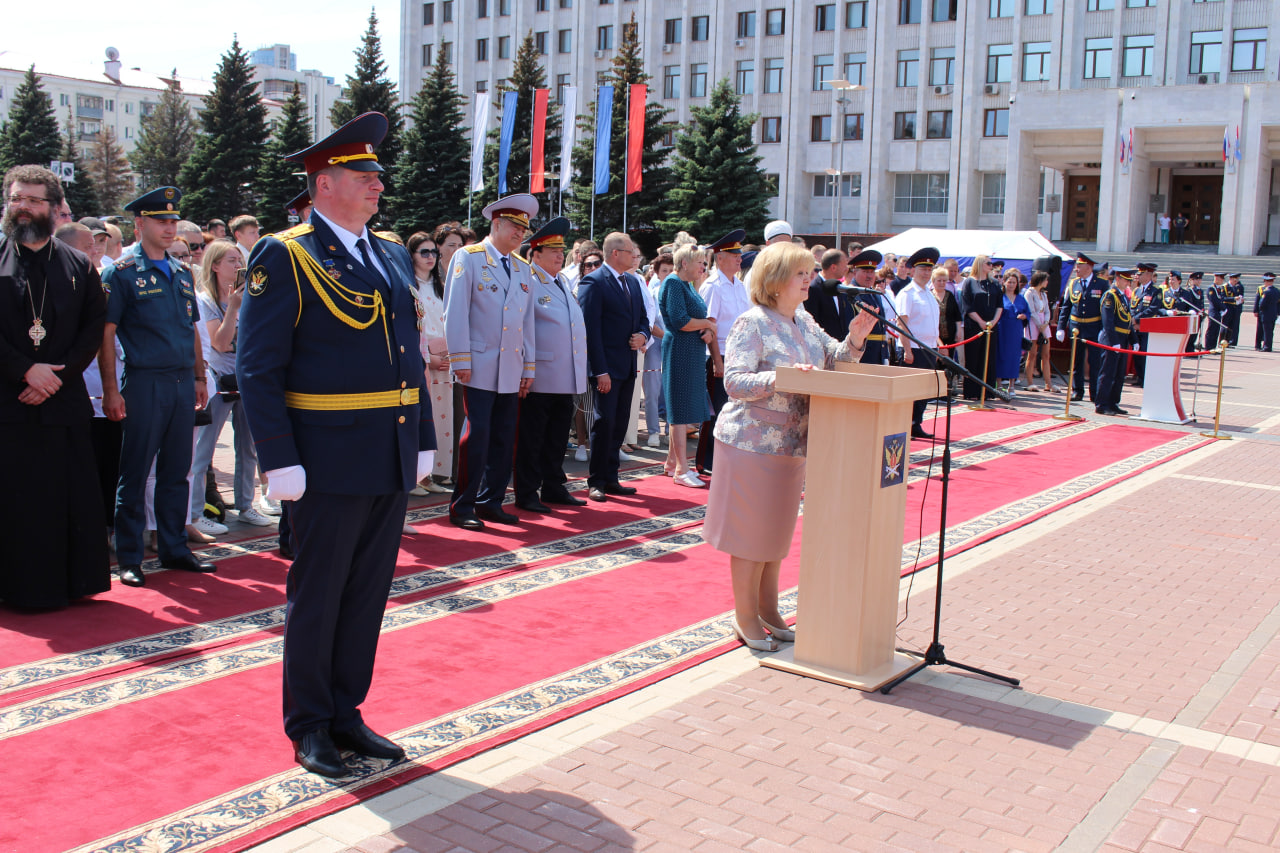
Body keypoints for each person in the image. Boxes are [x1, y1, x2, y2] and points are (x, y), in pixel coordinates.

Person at [237, 111, 434, 778]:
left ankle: (347, 709)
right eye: (364, 173)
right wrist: (279, 457)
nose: (378, 182)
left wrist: (425, 438)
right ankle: (310, 723)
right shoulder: (285, 253)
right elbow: (260, 366)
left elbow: (409, 354)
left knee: (367, 593)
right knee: (318, 594)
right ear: (324, 184)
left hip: (388, 451)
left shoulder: (390, 253)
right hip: (322, 457)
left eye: (378, 172)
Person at [703, 242, 875, 650]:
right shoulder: (753, 322)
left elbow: (834, 361)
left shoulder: (803, 319)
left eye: (809, 272)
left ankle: (769, 609)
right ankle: (745, 617)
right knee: (750, 536)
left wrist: (853, 340)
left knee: (775, 536)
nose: (808, 280)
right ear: (776, 280)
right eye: (801, 273)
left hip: (791, 445)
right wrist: (782, 377)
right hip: (751, 443)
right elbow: (735, 382)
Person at [1, 164, 111, 608]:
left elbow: (93, 327)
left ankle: (69, 583)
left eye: (32, 200)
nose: (22, 207)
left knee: (65, 498)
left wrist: (55, 378)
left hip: (61, 404)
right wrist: (25, 370)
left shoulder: (77, 265)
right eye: (15, 198)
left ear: (54, 208)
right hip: (8, 402)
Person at [100, 186, 216, 588]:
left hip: (183, 382)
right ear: (139, 224)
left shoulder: (182, 272)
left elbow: (193, 329)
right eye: (161, 221)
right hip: (145, 382)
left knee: (176, 471)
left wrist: (201, 376)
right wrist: (112, 390)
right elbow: (106, 334)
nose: (170, 228)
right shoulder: (121, 272)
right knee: (134, 474)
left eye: (172, 221)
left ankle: (174, 548)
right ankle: (130, 556)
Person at [444, 193, 538, 529]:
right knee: (477, 435)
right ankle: (463, 504)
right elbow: (455, 312)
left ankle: (491, 500)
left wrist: (529, 365)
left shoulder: (522, 267)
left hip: (511, 366)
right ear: (496, 224)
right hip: (478, 363)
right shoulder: (468, 258)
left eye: (523, 229)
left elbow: (526, 320)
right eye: (514, 227)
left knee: (504, 437)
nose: (520, 234)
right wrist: (459, 359)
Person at [187, 239, 271, 535]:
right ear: (215, 265)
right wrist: (234, 307)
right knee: (203, 450)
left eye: (240, 261)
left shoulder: (251, 294)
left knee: (248, 447)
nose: (239, 266)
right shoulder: (206, 299)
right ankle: (195, 513)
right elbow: (220, 343)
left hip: (246, 378)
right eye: (233, 261)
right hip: (219, 382)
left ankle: (247, 505)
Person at [513, 217, 589, 511]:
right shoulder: (529, 282)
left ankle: (553, 486)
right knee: (533, 438)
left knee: (557, 436)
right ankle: (528, 492)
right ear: (535, 253)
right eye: (552, 250)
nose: (560, 255)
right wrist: (525, 369)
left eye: (561, 250)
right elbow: (523, 328)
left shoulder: (562, 281)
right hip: (540, 375)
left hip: (564, 375)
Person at [577, 231, 650, 502]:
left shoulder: (632, 282)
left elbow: (642, 318)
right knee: (603, 423)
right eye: (631, 251)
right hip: (606, 368)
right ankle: (596, 480)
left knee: (619, 423)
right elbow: (590, 330)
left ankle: (611, 477)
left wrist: (643, 335)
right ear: (616, 253)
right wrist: (600, 370)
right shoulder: (594, 282)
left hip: (628, 365)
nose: (635, 256)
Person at [659, 243, 715, 488]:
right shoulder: (673, 283)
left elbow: (696, 318)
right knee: (679, 409)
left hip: (691, 350)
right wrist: (708, 324)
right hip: (679, 350)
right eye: (700, 262)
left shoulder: (687, 285)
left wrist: (706, 329)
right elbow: (680, 320)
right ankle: (681, 469)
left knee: (684, 404)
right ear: (685, 263)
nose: (703, 266)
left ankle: (673, 461)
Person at [695, 230, 750, 475]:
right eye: (734, 254)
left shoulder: (739, 285)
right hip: (720, 356)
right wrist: (717, 360)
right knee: (716, 410)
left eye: (739, 254)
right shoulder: (713, 286)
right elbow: (709, 326)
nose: (740, 258)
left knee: (736, 411)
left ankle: (727, 457)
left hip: (739, 356)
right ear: (720, 258)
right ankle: (706, 461)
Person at [405, 231, 452, 496]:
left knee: (442, 420)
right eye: (424, 252)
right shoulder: (406, 285)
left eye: (434, 252)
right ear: (411, 254)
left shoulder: (440, 286)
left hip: (445, 358)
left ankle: (433, 473)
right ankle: (415, 475)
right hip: (422, 359)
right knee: (421, 418)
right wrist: (428, 357)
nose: (430, 257)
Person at [893, 248, 944, 439]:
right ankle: (904, 424)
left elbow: (932, 324)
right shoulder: (908, 293)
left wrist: (938, 347)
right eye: (922, 268)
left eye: (929, 269)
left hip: (929, 348)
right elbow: (902, 323)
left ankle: (916, 424)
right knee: (909, 392)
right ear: (913, 270)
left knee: (923, 392)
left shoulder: (929, 294)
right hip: (913, 348)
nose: (926, 273)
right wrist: (907, 350)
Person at [1055, 253, 1105, 403]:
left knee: (1095, 362)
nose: (1076, 269)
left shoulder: (1101, 284)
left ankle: (1095, 392)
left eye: (1079, 266)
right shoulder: (1073, 283)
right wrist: (1061, 327)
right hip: (1076, 328)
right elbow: (1066, 306)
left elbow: (1104, 309)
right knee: (1076, 361)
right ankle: (1077, 391)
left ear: (1089, 267)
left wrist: (1104, 329)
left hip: (1094, 327)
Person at [959, 254, 1002, 399]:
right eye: (988, 263)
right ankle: (972, 391)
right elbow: (967, 306)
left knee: (989, 358)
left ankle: (988, 391)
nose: (991, 266)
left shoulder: (994, 283)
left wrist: (993, 322)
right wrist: (981, 322)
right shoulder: (969, 282)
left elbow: (999, 305)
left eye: (991, 264)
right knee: (973, 358)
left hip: (991, 326)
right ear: (979, 264)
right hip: (974, 326)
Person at [1096, 268, 1136, 415]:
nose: (1128, 283)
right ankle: (1102, 404)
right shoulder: (1110, 296)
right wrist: (1114, 341)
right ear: (1118, 279)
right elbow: (1108, 322)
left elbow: (1128, 321)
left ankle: (1113, 402)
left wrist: (1134, 340)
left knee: (1119, 374)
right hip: (1112, 339)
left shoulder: (1124, 297)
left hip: (1123, 339)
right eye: (1126, 280)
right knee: (1108, 373)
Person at [802, 249, 854, 340]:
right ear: (833, 267)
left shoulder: (840, 288)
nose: (847, 269)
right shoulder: (814, 289)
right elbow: (811, 324)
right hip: (823, 347)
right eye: (844, 265)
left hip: (839, 347)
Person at [1022, 271, 1054, 392]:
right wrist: (1039, 324)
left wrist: (1045, 322)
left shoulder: (1044, 294)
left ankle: (1048, 383)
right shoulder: (1029, 293)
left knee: (1046, 355)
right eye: (1046, 280)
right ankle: (1030, 382)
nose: (1047, 282)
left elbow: (1047, 310)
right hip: (1034, 324)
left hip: (1044, 324)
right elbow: (1031, 310)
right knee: (1032, 354)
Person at [994, 269, 1025, 395]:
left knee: (1014, 357)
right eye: (1009, 282)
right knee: (1000, 356)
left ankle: (1011, 385)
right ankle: (999, 384)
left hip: (1016, 330)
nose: (1011, 285)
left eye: (1014, 282)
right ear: (1004, 283)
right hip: (1002, 329)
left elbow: (1027, 311)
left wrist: (1024, 316)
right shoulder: (1000, 297)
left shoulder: (1021, 298)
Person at [1259, 273, 1279, 352]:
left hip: (1266, 313)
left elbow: (1262, 304)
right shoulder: (1277, 291)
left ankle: (1267, 347)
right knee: (1270, 331)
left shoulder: (1267, 292)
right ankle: (1269, 345)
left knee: (1267, 331)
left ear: (1266, 282)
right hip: (1273, 313)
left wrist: (1261, 309)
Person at [1225, 272, 1245, 346]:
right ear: (1230, 279)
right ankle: (1225, 340)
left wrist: (1242, 300)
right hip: (1228, 308)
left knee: (1235, 326)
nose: (1236, 280)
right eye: (1234, 279)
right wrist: (1233, 298)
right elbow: (1223, 298)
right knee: (1226, 325)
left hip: (1236, 309)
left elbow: (1241, 296)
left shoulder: (1239, 287)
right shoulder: (1226, 287)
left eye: (1237, 279)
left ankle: (1233, 341)